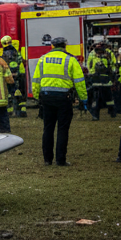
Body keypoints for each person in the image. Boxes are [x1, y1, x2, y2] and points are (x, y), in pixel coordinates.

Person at [33, 36, 87, 167]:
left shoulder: (42, 59)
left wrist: (36, 96)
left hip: (46, 97)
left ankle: (47, 159)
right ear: (65, 46)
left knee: (48, 128)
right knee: (62, 129)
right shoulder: (70, 59)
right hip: (64, 98)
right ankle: (60, 160)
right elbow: (79, 81)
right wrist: (83, 99)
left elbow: (36, 80)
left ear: (52, 46)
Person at [84, 36, 116, 120]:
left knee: (108, 97)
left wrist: (113, 73)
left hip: (106, 78)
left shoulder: (109, 53)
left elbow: (113, 64)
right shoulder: (92, 54)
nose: (98, 46)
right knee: (96, 98)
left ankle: (112, 111)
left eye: (99, 44)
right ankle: (95, 115)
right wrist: (91, 73)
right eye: (97, 44)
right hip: (96, 78)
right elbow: (89, 64)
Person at [0, 36, 27, 118]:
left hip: (12, 76)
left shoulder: (6, 54)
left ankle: (9, 112)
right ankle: (22, 111)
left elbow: (11, 65)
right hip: (21, 75)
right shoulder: (16, 52)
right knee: (21, 93)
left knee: (10, 93)